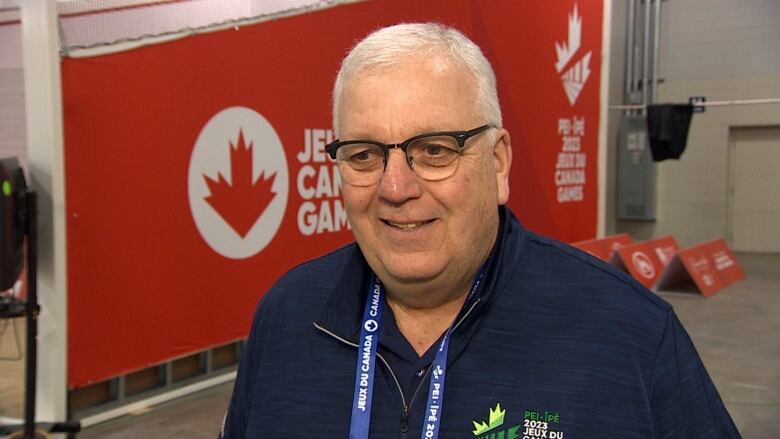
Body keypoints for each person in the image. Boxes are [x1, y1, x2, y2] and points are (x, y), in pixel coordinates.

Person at [220, 23, 740, 438]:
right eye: (364, 155)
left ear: (498, 164)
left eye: (435, 151)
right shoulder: (289, 317)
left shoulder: (630, 335)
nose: (395, 187)